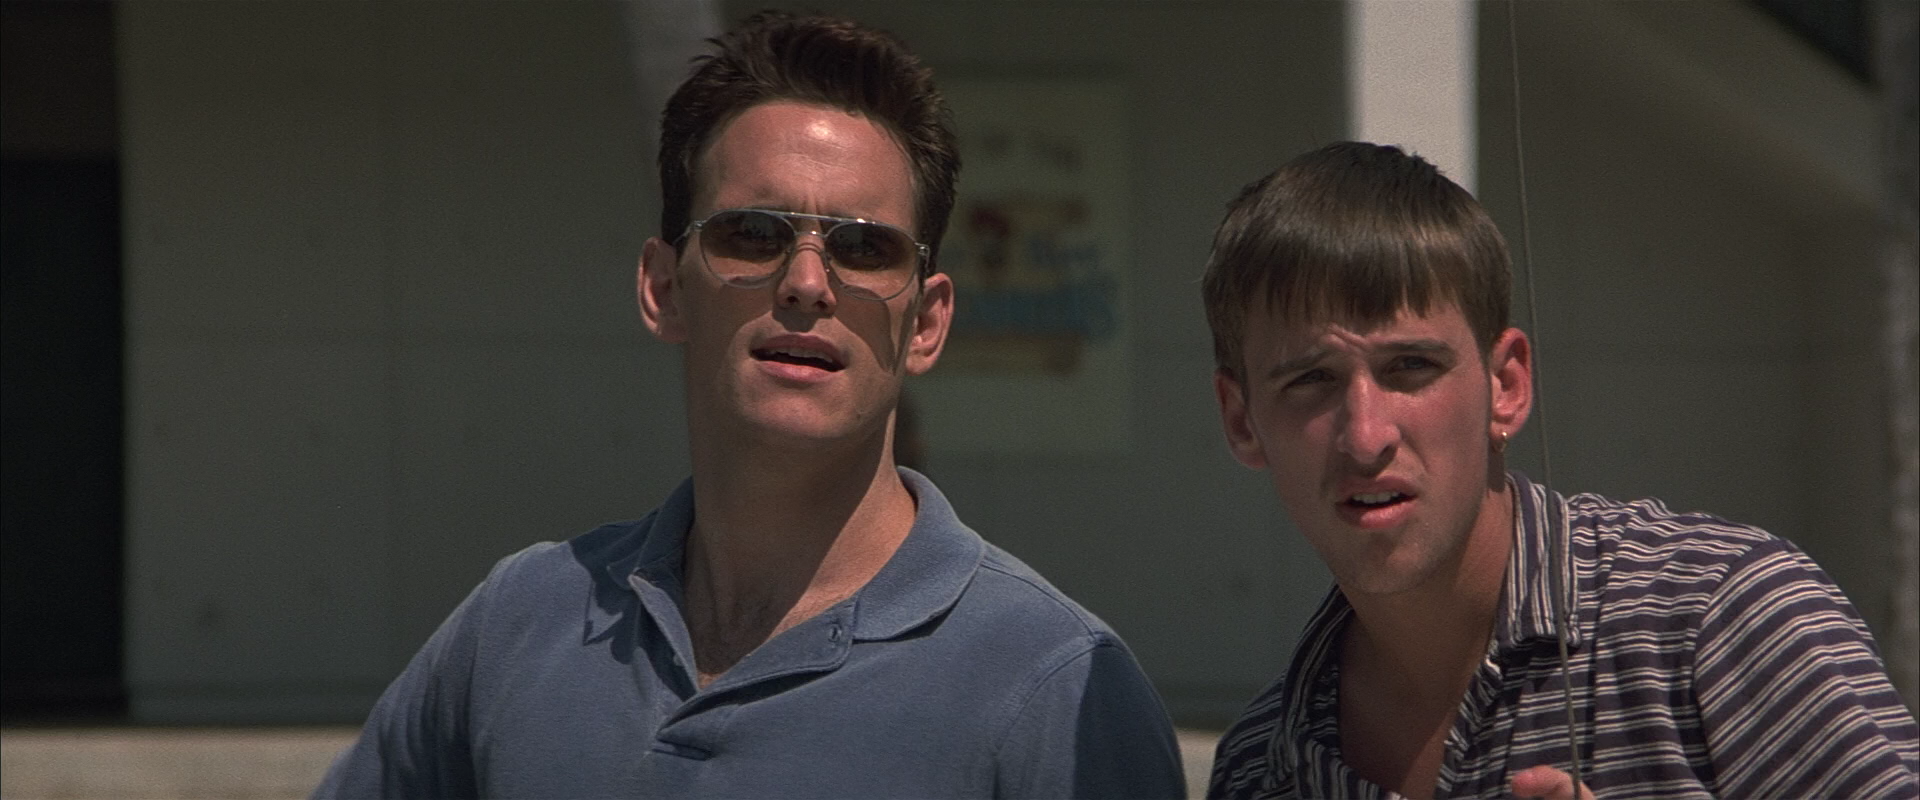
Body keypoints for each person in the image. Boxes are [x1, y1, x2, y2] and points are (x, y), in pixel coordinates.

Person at [314, 11, 1184, 798]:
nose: (807, 282)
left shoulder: (1058, 688)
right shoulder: (517, 623)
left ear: (926, 322)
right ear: (663, 288)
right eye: (754, 235)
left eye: (865, 248)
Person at [1200, 141, 1919, 799]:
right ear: (1241, 420)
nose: (1366, 437)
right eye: (1311, 380)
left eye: (1410, 367)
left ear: (1507, 386)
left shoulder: (1719, 617)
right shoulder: (1258, 768)